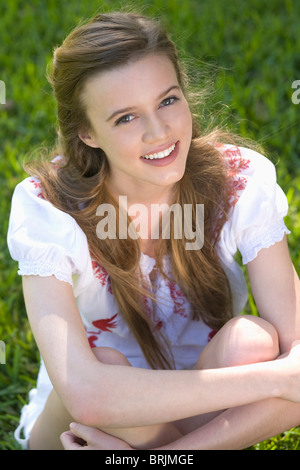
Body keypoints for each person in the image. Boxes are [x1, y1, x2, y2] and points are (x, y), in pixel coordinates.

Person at [7, 11, 300, 451]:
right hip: (84, 424)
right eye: (126, 118)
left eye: (167, 101)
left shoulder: (239, 180)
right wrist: (275, 379)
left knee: (252, 341)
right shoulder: (47, 206)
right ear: (87, 132)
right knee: (103, 367)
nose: (159, 131)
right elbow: (86, 397)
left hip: (202, 401)